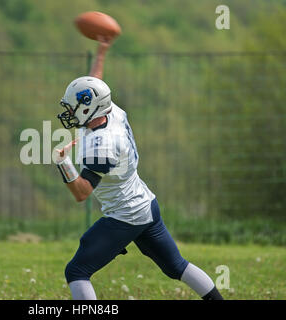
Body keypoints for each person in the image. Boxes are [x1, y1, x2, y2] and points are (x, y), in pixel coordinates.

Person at [55, 37, 223, 300]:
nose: (69, 113)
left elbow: (81, 193)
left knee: (77, 271)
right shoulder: (110, 112)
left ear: (88, 109)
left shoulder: (103, 146)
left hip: (125, 216)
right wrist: (101, 53)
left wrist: (62, 163)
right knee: (176, 267)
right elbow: (95, 86)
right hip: (145, 203)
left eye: (73, 108)